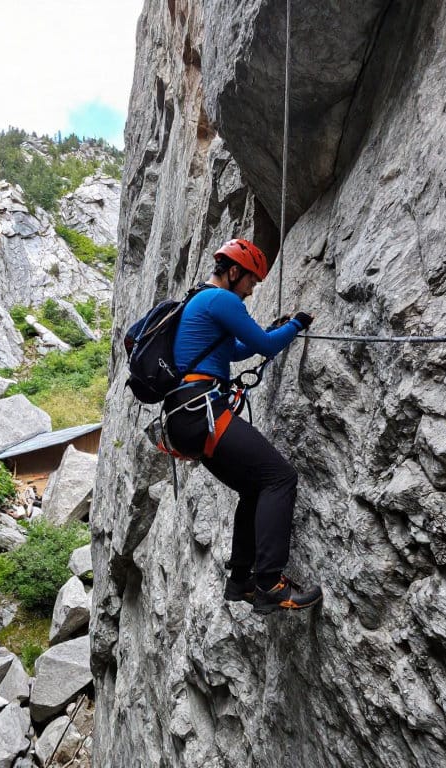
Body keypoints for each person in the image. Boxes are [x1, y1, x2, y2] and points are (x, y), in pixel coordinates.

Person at [163, 238, 323, 614]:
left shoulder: (201, 300)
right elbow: (266, 348)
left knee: (255, 488)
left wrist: (272, 331)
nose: (252, 290)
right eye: (251, 281)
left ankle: (241, 581)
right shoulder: (222, 300)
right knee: (280, 477)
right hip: (200, 410)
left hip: (187, 416)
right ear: (233, 272)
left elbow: (237, 350)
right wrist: (297, 324)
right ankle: (270, 583)